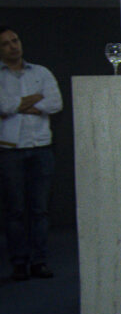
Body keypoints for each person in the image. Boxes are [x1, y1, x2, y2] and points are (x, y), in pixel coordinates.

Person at [0, 26, 63, 281]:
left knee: (40, 210)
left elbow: (55, 103)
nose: (13, 46)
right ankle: (18, 262)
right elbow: (4, 106)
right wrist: (34, 100)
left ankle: (39, 260)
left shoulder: (41, 72)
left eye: (15, 40)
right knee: (14, 210)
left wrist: (17, 105)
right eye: (6, 43)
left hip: (41, 148)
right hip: (10, 150)